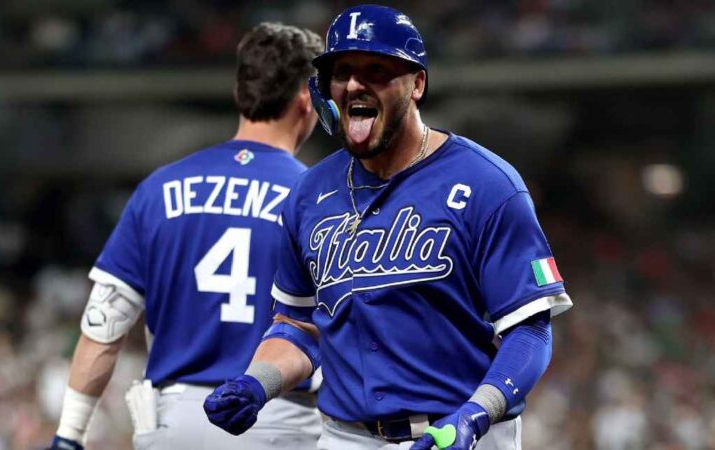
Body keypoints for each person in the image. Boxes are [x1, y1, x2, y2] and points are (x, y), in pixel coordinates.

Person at [203, 5, 573, 450]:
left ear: (417, 83)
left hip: (457, 432)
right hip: (344, 438)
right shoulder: (309, 194)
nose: (356, 84)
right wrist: (256, 382)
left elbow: (529, 330)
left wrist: (476, 414)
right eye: (343, 72)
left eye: (376, 70)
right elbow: (300, 327)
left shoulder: (488, 184)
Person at [46, 22, 324, 450]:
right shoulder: (318, 199)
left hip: (173, 424)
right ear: (307, 98)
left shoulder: (160, 188)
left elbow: (103, 327)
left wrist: (70, 435)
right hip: (279, 419)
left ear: (240, 92)